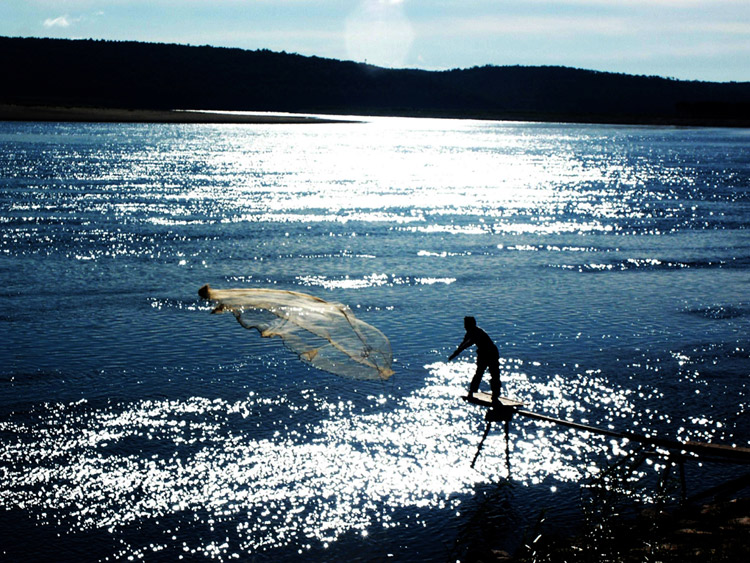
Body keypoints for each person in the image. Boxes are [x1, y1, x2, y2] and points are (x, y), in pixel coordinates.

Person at [448, 316, 501, 408]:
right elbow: (463, 343)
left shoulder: (477, 332)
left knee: (494, 374)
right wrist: (455, 353)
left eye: (466, 324)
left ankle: (495, 394)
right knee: (479, 373)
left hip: (491, 353)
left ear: (471, 324)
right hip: (483, 353)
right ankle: (472, 391)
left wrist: (455, 354)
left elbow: (468, 343)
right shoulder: (469, 332)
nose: (464, 327)